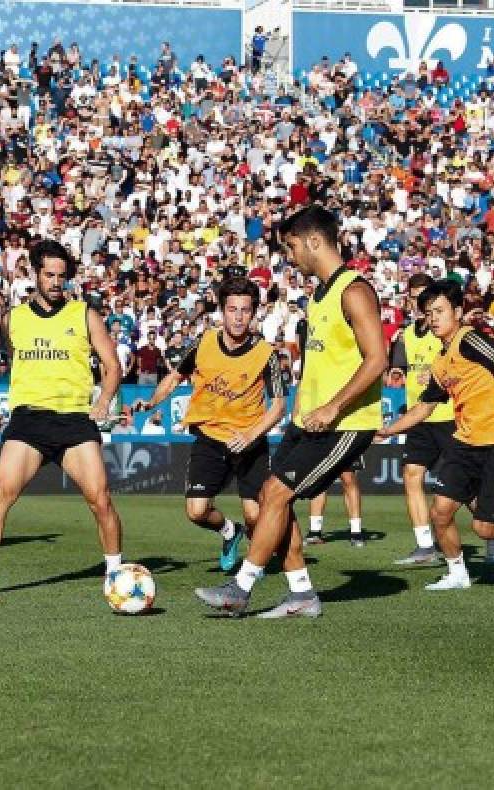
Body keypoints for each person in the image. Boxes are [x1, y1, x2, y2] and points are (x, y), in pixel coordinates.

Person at [194, 205, 386, 618]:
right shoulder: (318, 296)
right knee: (269, 496)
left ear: (315, 241)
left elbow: (377, 359)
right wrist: (301, 413)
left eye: (293, 246)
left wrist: (333, 408)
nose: (291, 255)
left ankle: (241, 587)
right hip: (309, 421)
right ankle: (301, 594)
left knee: (277, 493)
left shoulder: (354, 289)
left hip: (345, 423)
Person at [0, 242, 127, 597]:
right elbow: (11, 354)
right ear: (35, 274)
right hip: (29, 420)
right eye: (49, 275)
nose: (55, 282)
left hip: (74, 420)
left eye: (62, 276)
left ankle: (115, 574)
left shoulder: (84, 314)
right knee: (2, 492)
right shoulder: (13, 319)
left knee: (101, 498)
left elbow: (112, 366)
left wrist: (105, 399)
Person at [377, 280, 494, 591]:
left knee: (485, 528)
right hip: (466, 442)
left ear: (457, 312)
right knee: (440, 511)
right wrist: (388, 430)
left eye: (439, 311)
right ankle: (457, 574)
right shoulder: (440, 363)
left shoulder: (469, 340)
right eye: (429, 313)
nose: (433, 318)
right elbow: (424, 407)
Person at [137, 275, 286, 571]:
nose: (239, 317)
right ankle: (230, 532)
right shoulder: (204, 343)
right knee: (196, 511)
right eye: (232, 309)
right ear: (222, 310)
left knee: (257, 516)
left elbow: (279, 406)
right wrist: (152, 402)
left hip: (250, 442)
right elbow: (175, 377)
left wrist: (250, 434)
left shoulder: (265, 354)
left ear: (254, 312)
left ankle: (252, 570)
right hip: (209, 438)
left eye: (245, 310)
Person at [306, 468, 364, 547]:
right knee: (318, 480)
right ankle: (314, 532)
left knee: (348, 477)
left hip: (345, 455)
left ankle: (356, 532)